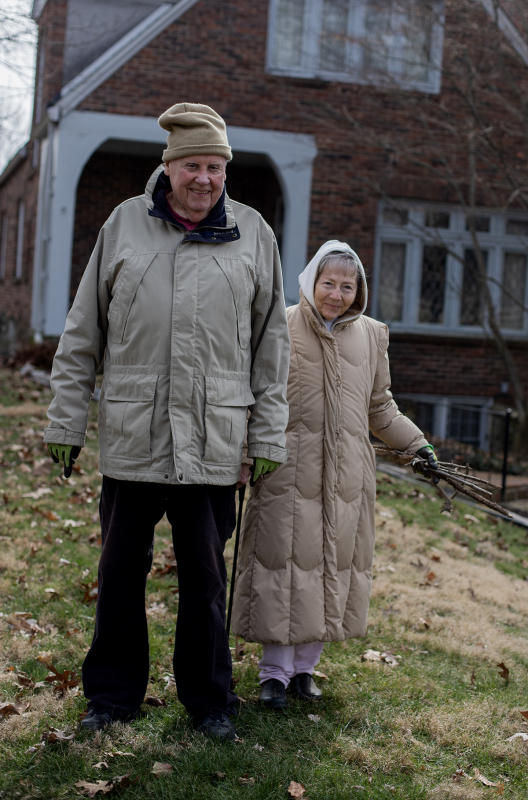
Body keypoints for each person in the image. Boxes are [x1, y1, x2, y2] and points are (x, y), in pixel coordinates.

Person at [44, 102, 290, 740]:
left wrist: (266, 434)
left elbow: (272, 347)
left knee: (206, 581)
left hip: (214, 441)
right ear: (169, 168)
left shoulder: (255, 233)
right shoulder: (124, 225)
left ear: (224, 170)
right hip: (135, 436)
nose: (204, 178)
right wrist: (65, 422)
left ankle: (210, 703)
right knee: (120, 573)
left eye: (214, 166)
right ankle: (112, 698)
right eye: (191, 166)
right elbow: (82, 333)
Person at [230, 240, 438, 709]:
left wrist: (417, 444)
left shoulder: (371, 335)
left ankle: (305, 669)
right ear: (311, 282)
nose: (337, 294)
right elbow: (254, 396)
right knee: (281, 567)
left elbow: (379, 407)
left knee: (330, 568)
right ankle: (273, 675)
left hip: (347, 476)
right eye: (329, 283)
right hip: (285, 469)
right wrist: (245, 455)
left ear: (358, 290)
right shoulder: (280, 326)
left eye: (348, 286)